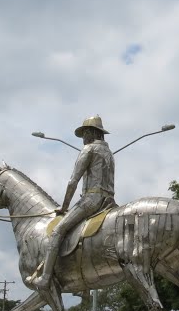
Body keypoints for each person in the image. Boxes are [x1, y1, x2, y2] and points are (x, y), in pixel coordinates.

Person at [29, 115, 116, 292]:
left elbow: (72, 181)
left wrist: (64, 206)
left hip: (92, 200)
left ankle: (45, 279)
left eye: (84, 133)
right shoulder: (109, 153)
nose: (83, 138)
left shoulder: (89, 149)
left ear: (91, 132)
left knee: (57, 231)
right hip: (109, 201)